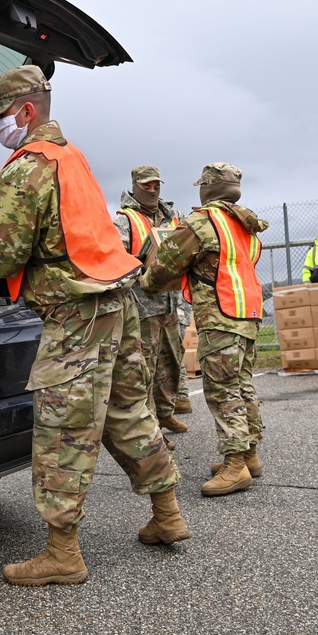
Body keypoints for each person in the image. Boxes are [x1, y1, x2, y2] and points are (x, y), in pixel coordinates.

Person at [0, 65, 188, 586]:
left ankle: (63, 554)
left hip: (76, 312)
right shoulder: (66, 157)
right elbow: (12, 194)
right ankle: (167, 516)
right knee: (129, 410)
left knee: (64, 426)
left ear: (23, 111)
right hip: (115, 301)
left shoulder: (27, 168)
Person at [141, 163, 268, 496]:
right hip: (248, 313)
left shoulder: (201, 223)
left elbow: (165, 265)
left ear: (208, 187)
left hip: (220, 314)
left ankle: (235, 465)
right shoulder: (244, 222)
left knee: (222, 390)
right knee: (241, 384)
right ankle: (249, 454)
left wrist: (146, 281)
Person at [113, 166, 189, 435]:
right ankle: (151, 426)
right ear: (135, 185)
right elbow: (115, 258)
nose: (153, 189)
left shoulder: (174, 216)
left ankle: (166, 413)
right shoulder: (124, 219)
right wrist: (142, 264)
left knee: (171, 362)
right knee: (145, 367)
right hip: (142, 306)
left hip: (171, 302)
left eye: (156, 184)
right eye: (146, 185)